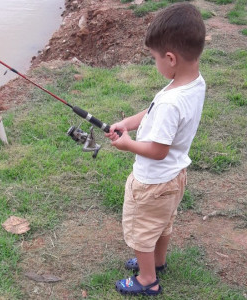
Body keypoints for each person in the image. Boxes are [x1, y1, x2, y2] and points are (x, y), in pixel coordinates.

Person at [105, 2, 206, 296]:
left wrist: (127, 145)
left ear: (171, 58)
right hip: (174, 178)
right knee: (161, 225)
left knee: (141, 230)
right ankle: (157, 262)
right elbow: (151, 113)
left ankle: (148, 279)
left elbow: (158, 149)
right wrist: (128, 122)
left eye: (154, 58)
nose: (155, 63)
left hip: (152, 182)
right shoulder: (193, 84)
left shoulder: (171, 102)